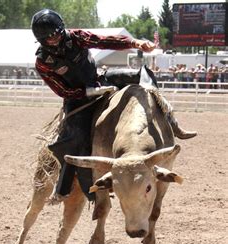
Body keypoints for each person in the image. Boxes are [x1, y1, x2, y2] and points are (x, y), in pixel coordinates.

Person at [31, 9, 196, 203]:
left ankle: (170, 120)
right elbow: (61, 90)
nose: (53, 39)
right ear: (40, 40)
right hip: (78, 99)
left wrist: (135, 43)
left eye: (55, 34)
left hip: (100, 79)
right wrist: (90, 92)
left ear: (62, 29)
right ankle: (63, 188)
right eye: (47, 38)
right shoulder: (42, 62)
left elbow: (103, 41)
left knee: (142, 74)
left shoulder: (76, 37)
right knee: (74, 138)